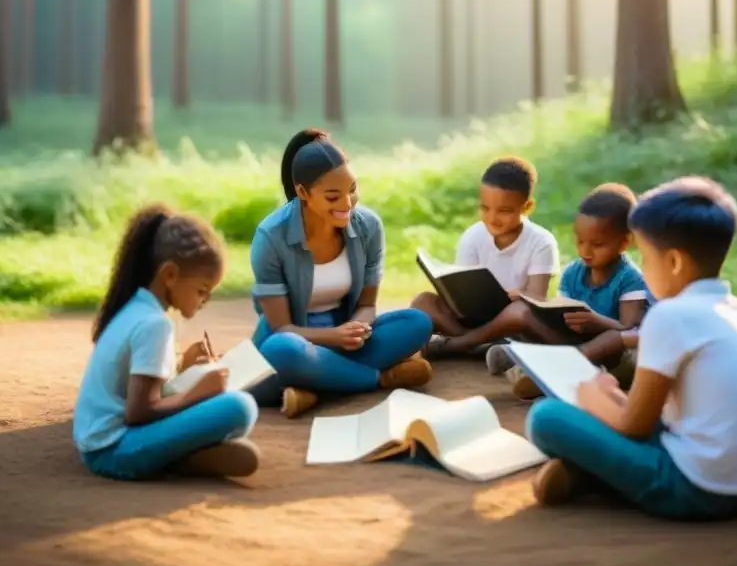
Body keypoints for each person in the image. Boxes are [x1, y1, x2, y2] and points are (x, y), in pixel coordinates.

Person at [526, 177, 737, 520]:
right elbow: (661, 417)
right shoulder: (736, 308)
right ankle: (587, 473)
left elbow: (634, 426)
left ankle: (590, 475)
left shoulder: (669, 315)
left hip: (698, 491)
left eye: (647, 258)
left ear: (675, 262)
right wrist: (616, 400)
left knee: (546, 417)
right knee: (608, 410)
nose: (644, 270)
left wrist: (594, 401)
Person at [250, 129, 434, 419]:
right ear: (303, 193)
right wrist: (333, 337)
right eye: (333, 196)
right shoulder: (271, 236)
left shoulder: (368, 227)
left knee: (417, 322)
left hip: (346, 338)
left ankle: (314, 386)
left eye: (352, 190)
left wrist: (357, 328)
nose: (347, 204)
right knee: (281, 349)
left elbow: (366, 305)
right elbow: (282, 327)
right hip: (298, 339)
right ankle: (379, 379)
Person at [73, 204, 261, 481]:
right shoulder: (155, 325)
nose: (205, 302)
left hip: (97, 442)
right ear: (170, 275)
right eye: (202, 290)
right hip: (113, 450)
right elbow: (139, 411)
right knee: (240, 407)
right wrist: (196, 394)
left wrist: (183, 367)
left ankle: (184, 456)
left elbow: (141, 390)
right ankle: (180, 459)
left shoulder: (137, 307)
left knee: (227, 405)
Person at [488, 183, 650, 398]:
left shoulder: (630, 278)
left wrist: (596, 321)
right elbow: (561, 313)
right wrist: (536, 307)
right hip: (576, 341)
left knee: (611, 338)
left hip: (615, 356)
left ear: (624, 242)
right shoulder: (574, 272)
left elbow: (627, 329)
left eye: (597, 244)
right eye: (580, 241)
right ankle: (536, 361)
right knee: (527, 317)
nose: (586, 250)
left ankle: (535, 365)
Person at [412, 156, 563, 359]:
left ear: (526, 207)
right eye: (485, 208)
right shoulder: (473, 236)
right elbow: (461, 290)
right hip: (474, 319)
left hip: (513, 322)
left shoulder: (541, 242)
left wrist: (522, 295)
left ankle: (459, 345)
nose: (492, 218)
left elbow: (538, 298)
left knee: (519, 311)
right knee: (423, 302)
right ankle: (479, 343)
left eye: (504, 211)